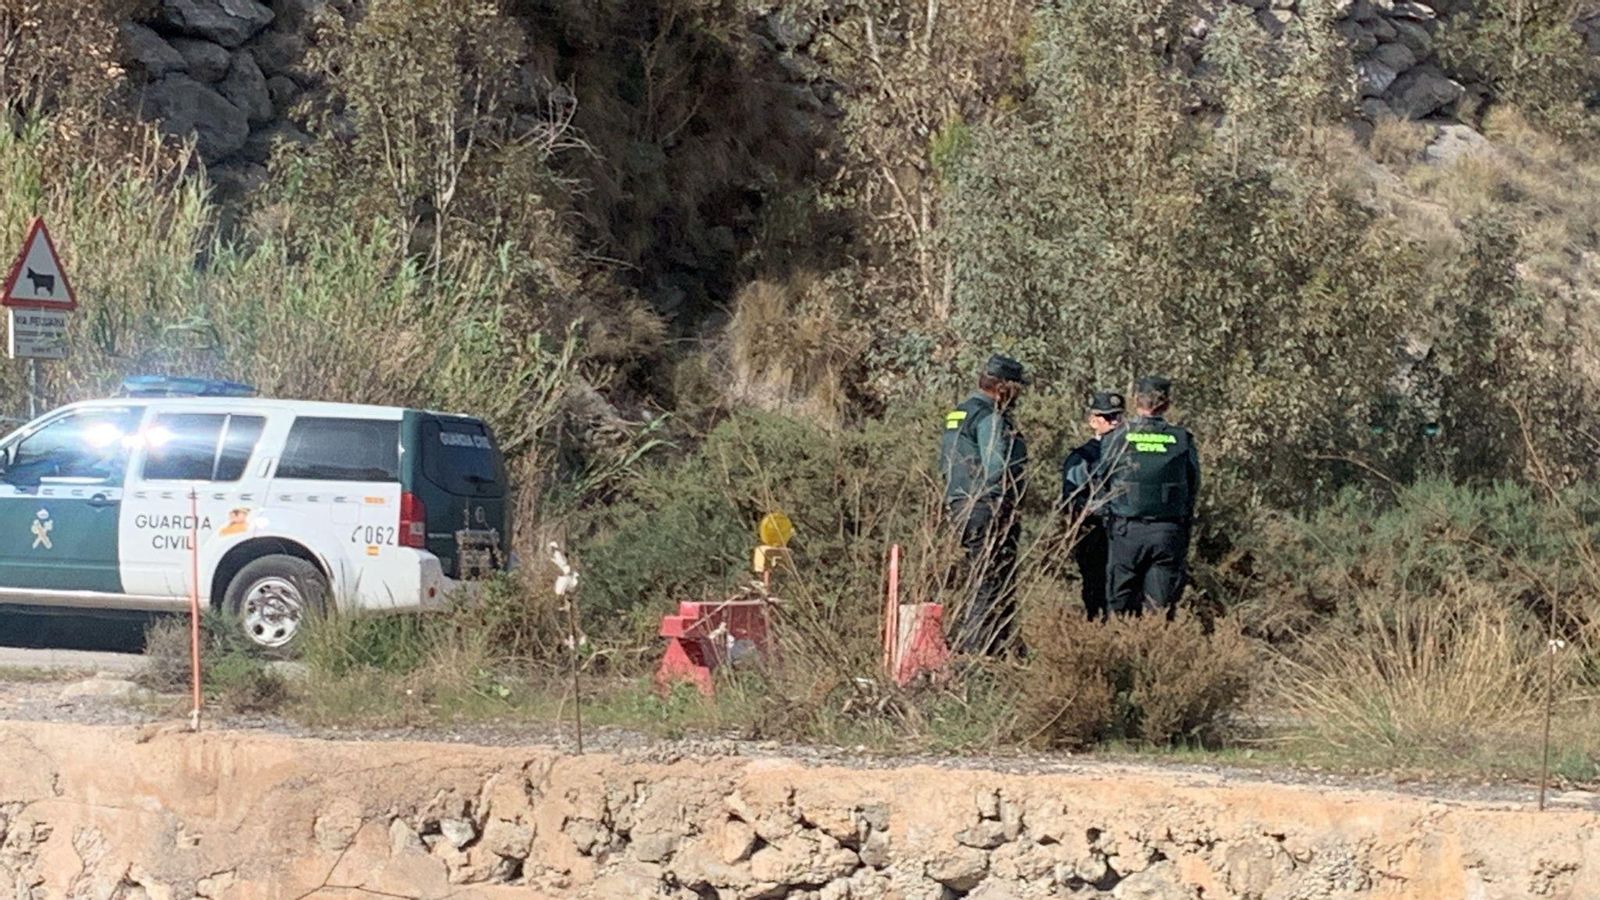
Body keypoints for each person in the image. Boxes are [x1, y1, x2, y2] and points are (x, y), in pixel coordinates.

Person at [939, 354, 1030, 656]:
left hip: (959, 505)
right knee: (991, 583)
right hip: (987, 507)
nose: (1019, 395)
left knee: (977, 579)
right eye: (1017, 387)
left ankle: (976, 647)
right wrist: (1007, 500)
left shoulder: (960, 413)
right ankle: (982, 653)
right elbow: (996, 467)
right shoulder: (990, 416)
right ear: (1003, 387)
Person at [1096, 376, 1199, 618]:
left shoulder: (1117, 437)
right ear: (1167, 404)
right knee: (1159, 610)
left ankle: (1120, 652)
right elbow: (1193, 483)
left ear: (1135, 401)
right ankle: (1153, 652)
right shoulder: (1182, 438)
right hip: (1167, 532)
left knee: (1119, 606)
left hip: (1126, 532)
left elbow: (1102, 480)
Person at [1060, 390, 1124, 620]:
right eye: (1108, 417)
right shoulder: (1082, 457)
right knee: (1095, 589)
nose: (1114, 422)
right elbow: (1071, 499)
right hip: (1094, 530)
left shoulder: (1131, 452)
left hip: (1125, 531)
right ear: (1093, 421)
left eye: (1118, 416)